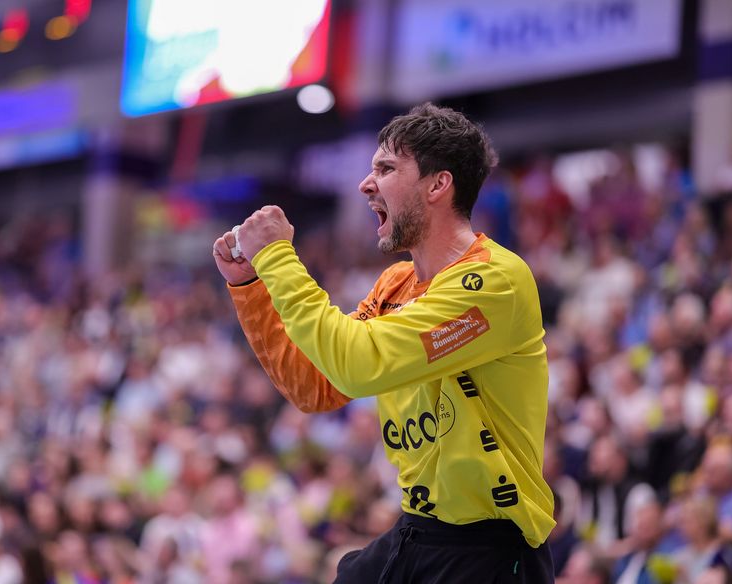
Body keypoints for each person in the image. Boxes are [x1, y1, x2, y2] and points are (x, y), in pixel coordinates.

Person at [212, 102, 555, 583]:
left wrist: (278, 257)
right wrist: (251, 287)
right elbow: (315, 384)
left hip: (489, 549)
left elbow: (357, 364)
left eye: (386, 168)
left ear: (438, 185)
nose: (365, 184)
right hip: (419, 530)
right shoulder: (395, 283)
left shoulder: (496, 280)